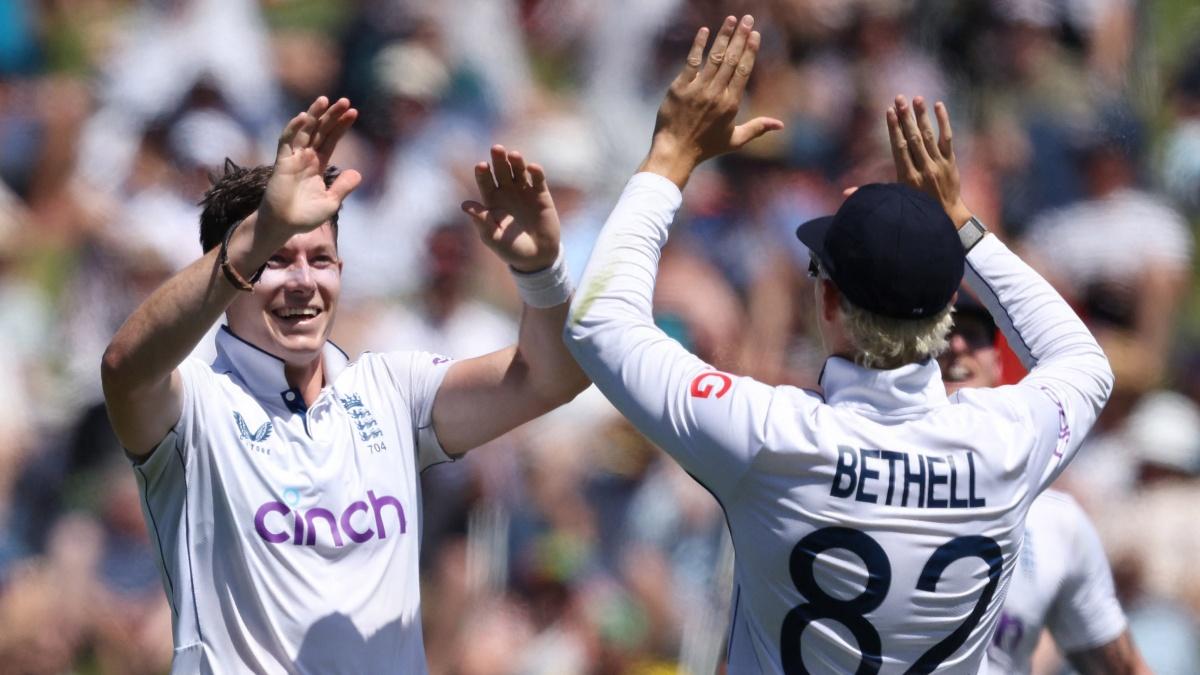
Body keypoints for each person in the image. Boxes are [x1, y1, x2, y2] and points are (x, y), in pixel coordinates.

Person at [564, 14, 1113, 673]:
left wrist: (667, 159)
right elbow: (1083, 360)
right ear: (945, 309)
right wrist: (964, 227)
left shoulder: (771, 436)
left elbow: (598, 321)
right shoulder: (1006, 442)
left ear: (828, 302)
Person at [100, 96, 589, 673]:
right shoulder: (194, 403)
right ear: (230, 274)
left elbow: (552, 378)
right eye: (277, 260)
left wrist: (541, 273)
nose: (304, 282)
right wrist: (259, 233)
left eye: (322, 259)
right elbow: (123, 368)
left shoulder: (390, 389)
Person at [942, 300, 1150, 674]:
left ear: (999, 365)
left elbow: (1122, 667)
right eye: (941, 336)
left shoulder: (1058, 522)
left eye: (973, 337)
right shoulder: (863, 483)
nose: (957, 347)